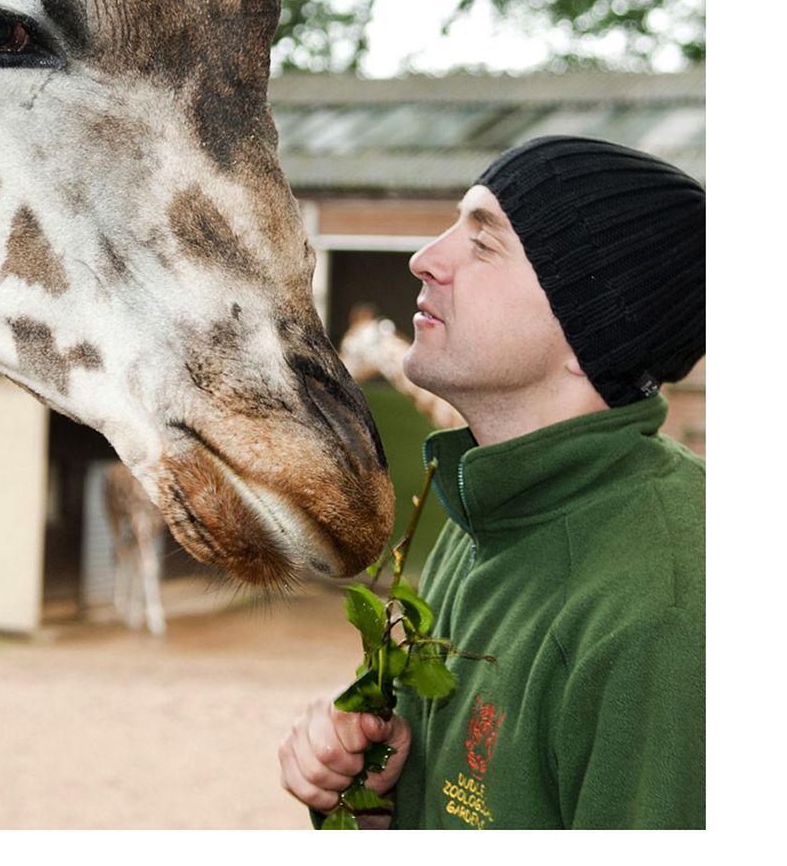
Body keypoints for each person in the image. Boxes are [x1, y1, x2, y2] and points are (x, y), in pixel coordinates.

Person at [278, 135, 705, 829]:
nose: (425, 258)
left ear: (591, 329)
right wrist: (375, 805)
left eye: (484, 243)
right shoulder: (488, 513)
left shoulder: (671, 612)